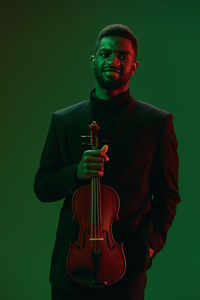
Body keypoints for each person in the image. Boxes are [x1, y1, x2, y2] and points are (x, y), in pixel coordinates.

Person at [34, 24, 181, 300]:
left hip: (128, 263)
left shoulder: (157, 124)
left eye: (122, 56)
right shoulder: (63, 121)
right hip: (71, 265)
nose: (112, 61)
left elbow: (168, 194)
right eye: (105, 53)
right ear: (93, 60)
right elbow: (42, 186)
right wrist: (76, 173)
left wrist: (151, 245)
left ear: (134, 66)